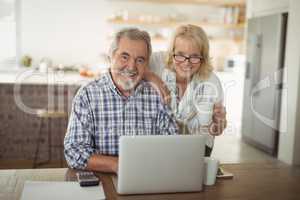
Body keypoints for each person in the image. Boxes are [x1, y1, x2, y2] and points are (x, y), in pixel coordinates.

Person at [64, 28, 178, 173]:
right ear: (111, 57)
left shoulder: (156, 96)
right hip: (101, 182)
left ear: (146, 65)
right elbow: (73, 152)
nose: (131, 66)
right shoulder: (87, 96)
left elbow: (173, 146)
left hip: (148, 180)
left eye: (140, 60)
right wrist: (118, 165)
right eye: (124, 57)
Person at [145, 24, 227, 156]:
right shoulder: (157, 61)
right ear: (172, 52)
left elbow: (216, 128)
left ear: (203, 57)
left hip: (197, 147)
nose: (186, 63)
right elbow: (131, 68)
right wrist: (153, 78)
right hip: (159, 144)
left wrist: (218, 125)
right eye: (180, 55)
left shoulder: (212, 82)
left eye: (194, 56)